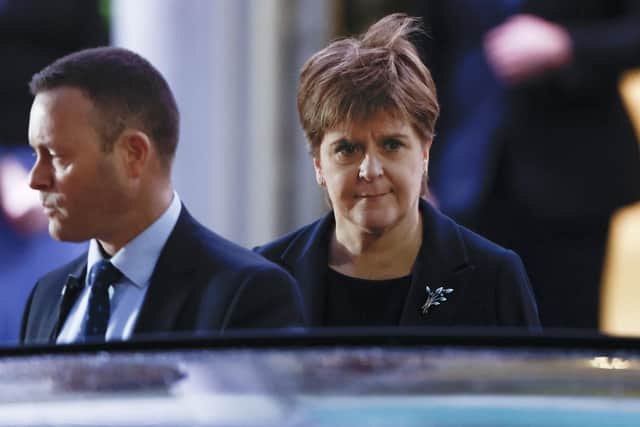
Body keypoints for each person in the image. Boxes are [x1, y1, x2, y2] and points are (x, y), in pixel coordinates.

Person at [255, 14, 540, 329]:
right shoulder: (263, 278)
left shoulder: (494, 276)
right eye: (347, 149)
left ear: (425, 152)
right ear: (318, 164)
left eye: (391, 145)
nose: (370, 170)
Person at [21, 47, 305, 345]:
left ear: (133, 154)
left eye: (55, 156)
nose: (36, 179)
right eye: (34, 154)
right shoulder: (45, 296)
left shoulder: (247, 294)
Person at [410, 1, 640, 329]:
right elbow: (426, 48)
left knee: (563, 343)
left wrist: (566, 44)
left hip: (573, 181)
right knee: (463, 341)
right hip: (462, 176)